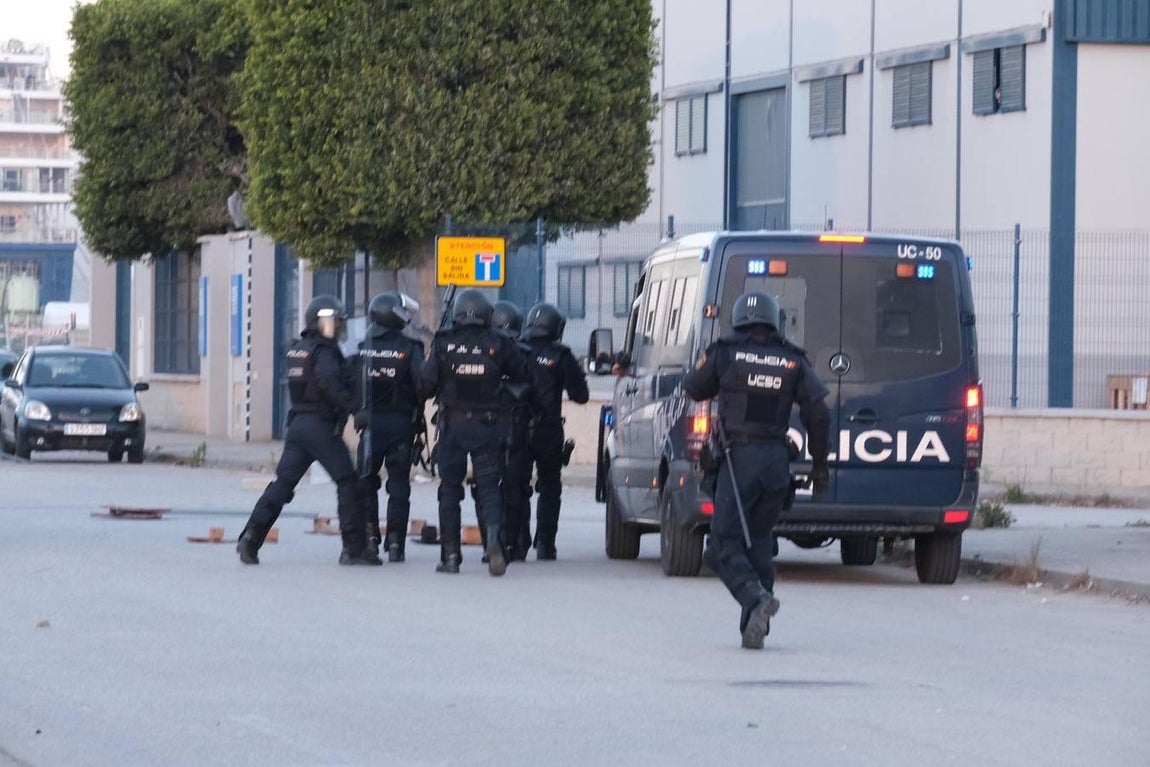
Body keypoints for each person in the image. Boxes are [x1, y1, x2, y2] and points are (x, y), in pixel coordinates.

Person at [683, 291, 830, 649]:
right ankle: (755, 627)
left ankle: (755, 598)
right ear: (775, 320)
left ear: (738, 319)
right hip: (776, 462)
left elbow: (693, 388)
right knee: (760, 541)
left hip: (739, 460)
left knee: (721, 544)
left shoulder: (725, 351)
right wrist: (820, 465)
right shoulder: (793, 359)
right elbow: (819, 412)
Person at [236, 295, 380, 567]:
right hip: (320, 427)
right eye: (335, 321)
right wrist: (354, 408)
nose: (339, 326)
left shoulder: (298, 349)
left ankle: (250, 538)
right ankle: (354, 549)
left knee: (282, 484)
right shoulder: (324, 351)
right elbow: (327, 382)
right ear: (320, 322)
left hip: (298, 427)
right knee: (348, 482)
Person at [418, 288, 530, 576]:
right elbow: (521, 373)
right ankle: (493, 541)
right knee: (490, 488)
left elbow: (426, 385)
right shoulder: (499, 341)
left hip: (452, 426)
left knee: (449, 490)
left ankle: (450, 557)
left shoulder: (443, 341)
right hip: (487, 426)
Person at [351, 291, 424, 563]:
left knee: (365, 482)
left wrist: (357, 411)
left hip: (369, 426)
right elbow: (422, 384)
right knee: (399, 485)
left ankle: (370, 537)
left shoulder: (361, 347)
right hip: (400, 425)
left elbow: (349, 384)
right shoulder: (411, 348)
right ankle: (395, 544)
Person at [520, 302, 589, 560]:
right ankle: (545, 544)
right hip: (548, 429)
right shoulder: (560, 355)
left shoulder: (515, 349)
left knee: (516, 486)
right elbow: (581, 396)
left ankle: (518, 541)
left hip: (517, 428)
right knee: (550, 487)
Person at [488, 300, 535, 562]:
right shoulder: (524, 353)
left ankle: (496, 542)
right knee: (516, 489)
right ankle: (515, 543)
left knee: (488, 489)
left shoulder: (483, 349)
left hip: (488, 426)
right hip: (517, 429)